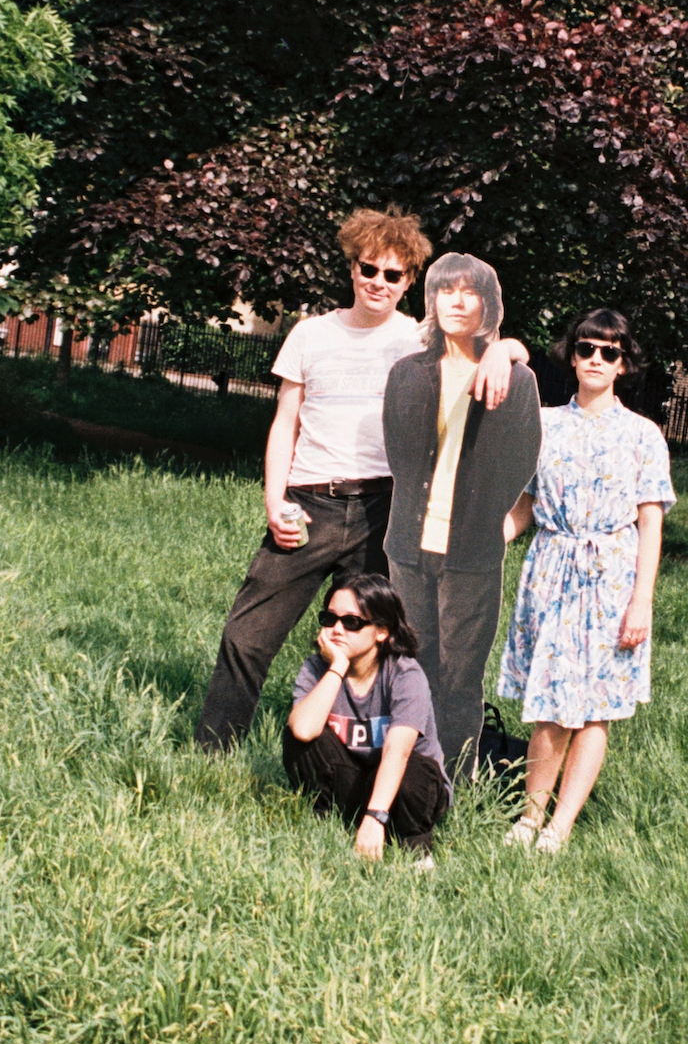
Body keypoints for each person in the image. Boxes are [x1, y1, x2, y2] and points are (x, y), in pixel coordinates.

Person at [193, 208, 526, 751]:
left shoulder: (422, 341)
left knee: (376, 647)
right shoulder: (311, 334)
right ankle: (212, 752)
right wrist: (274, 502)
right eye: (368, 269)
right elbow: (285, 423)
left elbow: (502, 349)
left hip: (385, 511)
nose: (378, 283)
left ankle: (361, 755)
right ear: (351, 268)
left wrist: (504, 353)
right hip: (308, 506)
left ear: (409, 282)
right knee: (247, 634)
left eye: (393, 275)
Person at [496, 307, 675, 852]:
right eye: (586, 348)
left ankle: (561, 825)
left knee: (597, 708)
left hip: (612, 581)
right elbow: (524, 508)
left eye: (608, 352)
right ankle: (529, 818)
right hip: (551, 572)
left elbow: (650, 523)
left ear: (623, 363)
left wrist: (641, 602)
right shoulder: (543, 424)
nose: (596, 359)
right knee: (551, 704)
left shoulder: (643, 435)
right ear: (571, 356)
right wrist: (483, 542)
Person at [381, 253, 541, 785]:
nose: (456, 301)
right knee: (410, 667)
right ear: (431, 300)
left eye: (469, 292)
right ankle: (406, 773)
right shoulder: (407, 374)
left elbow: (521, 460)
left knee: (458, 680)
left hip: (471, 555)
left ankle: (451, 784)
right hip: (408, 548)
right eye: (445, 290)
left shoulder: (515, 380)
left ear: (487, 306)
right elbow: (400, 455)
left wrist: (486, 519)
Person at [282, 575, 450, 862]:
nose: (337, 629)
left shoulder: (405, 675)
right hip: (356, 782)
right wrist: (337, 667)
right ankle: (326, 828)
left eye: (351, 622)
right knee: (300, 738)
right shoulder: (317, 668)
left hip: (406, 790)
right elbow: (303, 730)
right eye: (329, 619)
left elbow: (398, 753)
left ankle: (415, 847)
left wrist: (375, 816)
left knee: (413, 773)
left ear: (381, 631)